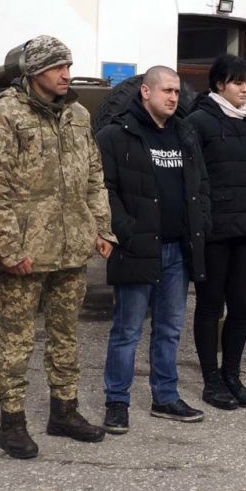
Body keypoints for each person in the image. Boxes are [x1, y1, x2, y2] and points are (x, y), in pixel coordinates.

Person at [0, 35, 114, 459]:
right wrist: (10, 249)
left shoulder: (75, 113)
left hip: (72, 247)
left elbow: (93, 174)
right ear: (34, 73)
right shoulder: (4, 115)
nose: (66, 75)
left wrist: (102, 228)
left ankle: (64, 410)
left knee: (65, 336)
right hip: (27, 254)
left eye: (68, 66)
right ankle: (12, 421)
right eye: (57, 68)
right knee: (16, 339)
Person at [96, 66, 211, 431]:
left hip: (179, 249)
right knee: (127, 329)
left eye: (177, 92)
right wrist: (124, 231)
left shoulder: (185, 132)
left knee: (170, 327)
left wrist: (201, 223)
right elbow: (105, 189)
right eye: (166, 91)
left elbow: (200, 184)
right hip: (137, 247)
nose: (174, 97)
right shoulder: (116, 135)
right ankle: (117, 401)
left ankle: (165, 396)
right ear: (145, 92)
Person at [187, 53, 246, 409]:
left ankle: (232, 374)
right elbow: (193, 179)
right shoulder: (198, 122)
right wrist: (200, 224)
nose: (244, 88)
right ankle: (211, 379)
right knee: (210, 306)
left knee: (243, 306)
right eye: (238, 81)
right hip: (214, 231)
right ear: (220, 84)